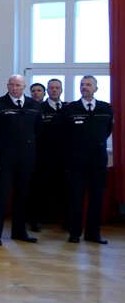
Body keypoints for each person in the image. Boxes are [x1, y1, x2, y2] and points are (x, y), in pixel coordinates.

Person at [0, 74, 41, 246]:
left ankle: (19, 231)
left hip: (26, 158)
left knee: (22, 195)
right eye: (11, 85)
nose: (14, 88)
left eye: (18, 85)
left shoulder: (35, 106)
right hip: (4, 158)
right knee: (0, 196)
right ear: (7, 86)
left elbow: (38, 130)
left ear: (24, 86)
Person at [59, 76, 113, 244]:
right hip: (77, 161)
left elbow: (107, 131)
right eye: (82, 84)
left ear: (96, 88)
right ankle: (74, 233)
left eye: (89, 84)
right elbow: (63, 134)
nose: (85, 87)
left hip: (98, 161)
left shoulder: (106, 108)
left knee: (97, 197)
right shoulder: (71, 108)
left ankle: (93, 233)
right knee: (76, 197)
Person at [30, 78, 64, 230]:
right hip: (42, 156)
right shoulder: (39, 108)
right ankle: (38, 219)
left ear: (61, 90)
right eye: (51, 88)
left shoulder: (67, 108)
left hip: (63, 157)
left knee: (63, 189)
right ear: (47, 91)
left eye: (57, 87)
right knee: (40, 189)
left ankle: (64, 220)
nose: (54, 90)